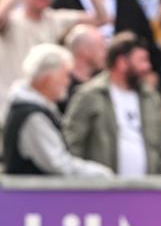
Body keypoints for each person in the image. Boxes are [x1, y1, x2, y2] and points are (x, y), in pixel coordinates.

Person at [0, 0, 106, 126]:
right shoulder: (12, 20)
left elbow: (102, 17)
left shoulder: (55, 19)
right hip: (7, 111)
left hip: (41, 111)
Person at [63, 31, 161, 176]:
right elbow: (73, 144)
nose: (147, 67)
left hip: (148, 191)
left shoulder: (151, 98)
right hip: (102, 192)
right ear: (122, 62)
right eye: (142, 60)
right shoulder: (89, 95)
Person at [3, 43, 112, 177]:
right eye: (65, 75)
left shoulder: (36, 109)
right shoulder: (32, 116)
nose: (67, 82)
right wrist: (101, 173)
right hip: (34, 197)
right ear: (48, 78)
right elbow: (58, 164)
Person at [58, 23, 107, 111]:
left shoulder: (103, 81)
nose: (105, 53)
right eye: (101, 47)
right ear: (85, 51)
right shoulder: (63, 87)